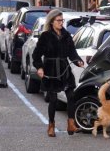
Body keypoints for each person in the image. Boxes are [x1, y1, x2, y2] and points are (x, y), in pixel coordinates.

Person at [32, 9, 84, 137]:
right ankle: (51, 125)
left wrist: (78, 61)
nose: (61, 23)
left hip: (64, 68)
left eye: (62, 20)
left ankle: (71, 124)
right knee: (53, 99)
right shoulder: (45, 36)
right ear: (51, 22)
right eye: (59, 20)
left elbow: (72, 52)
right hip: (50, 69)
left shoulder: (66, 35)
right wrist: (39, 68)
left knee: (71, 95)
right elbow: (36, 55)